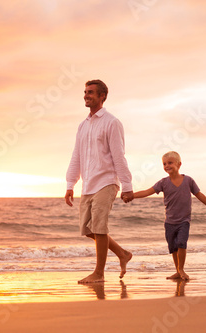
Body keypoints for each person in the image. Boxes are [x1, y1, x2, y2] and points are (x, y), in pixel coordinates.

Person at [65, 79, 134, 284]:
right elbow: (76, 155)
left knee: (99, 227)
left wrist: (127, 185)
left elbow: (119, 156)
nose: (86, 95)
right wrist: (70, 184)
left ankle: (99, 274)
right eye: (85, 92)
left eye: (91, 92)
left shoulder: (112, 122)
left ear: (102, 96)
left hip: (106, 181)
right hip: (88, 184)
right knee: (87, 229)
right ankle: (122, 254)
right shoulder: (82, 126)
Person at [131, 151, 206, 280]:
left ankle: (182, 270)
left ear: (179, 164)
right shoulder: (163, 182)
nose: (167, 165)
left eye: (170, 163)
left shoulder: (188, 180)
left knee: (181, 243)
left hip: (184, 220)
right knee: (173, 247)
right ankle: (178, 271)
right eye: (164, 163)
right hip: (169, 222)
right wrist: (132, 195)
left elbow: (199, 194)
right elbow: (147, 192)